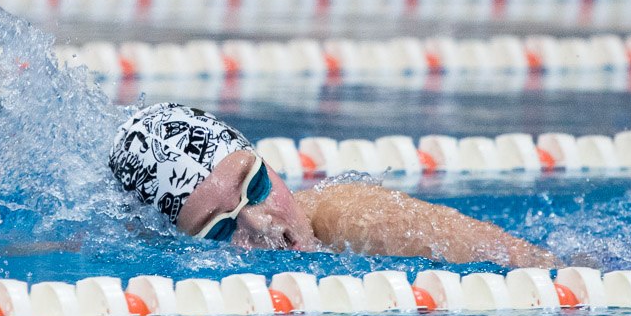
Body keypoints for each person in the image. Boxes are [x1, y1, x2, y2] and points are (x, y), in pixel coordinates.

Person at [109, 102, 561, 267]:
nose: (268, 228)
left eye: (258, 186)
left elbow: (537, 266)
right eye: (221, 229)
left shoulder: (359, 220)